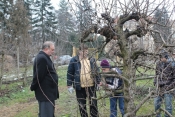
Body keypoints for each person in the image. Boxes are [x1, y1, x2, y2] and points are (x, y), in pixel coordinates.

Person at [67, 44, 100, 117]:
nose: (85, 53)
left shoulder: (92, 59)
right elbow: (70, 73)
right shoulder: (74, 60)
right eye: (83, 51)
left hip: (91, 87)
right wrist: (69, 85)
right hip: (80, 87)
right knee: (82, 106)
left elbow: (97, 71)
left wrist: (98, 82)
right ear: (79, 51)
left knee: (93, 104)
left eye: (86, 51)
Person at [30, 41, 59, 117]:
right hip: (45, 93)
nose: (53, 52)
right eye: (52, 50)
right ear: (46, 48)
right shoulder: (42, 58)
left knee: (49, 113)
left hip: (49, 93)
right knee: (46, 114)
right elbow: (39, 76)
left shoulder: (45, 57)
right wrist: (33, 86)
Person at [154, 52, 175, 117]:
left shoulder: (172, 64)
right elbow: (156, 74)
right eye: (160, 57)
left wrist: (169, 87)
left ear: (166, 57)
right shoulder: (158, 64)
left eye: (162, 57)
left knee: (168, 106)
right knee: (156, 104)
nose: (161, 59)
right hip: (159, 87)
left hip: (168, 88)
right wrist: (155, 82)